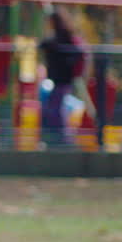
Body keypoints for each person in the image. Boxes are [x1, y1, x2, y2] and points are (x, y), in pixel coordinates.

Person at [38, 10, 85, 145]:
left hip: (62, 79)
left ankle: (63, 140)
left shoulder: (62, 37)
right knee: (54, 108)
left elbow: (52, 47)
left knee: (56, 109)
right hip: (61, 78)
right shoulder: (61, 36)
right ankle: (58, 138)